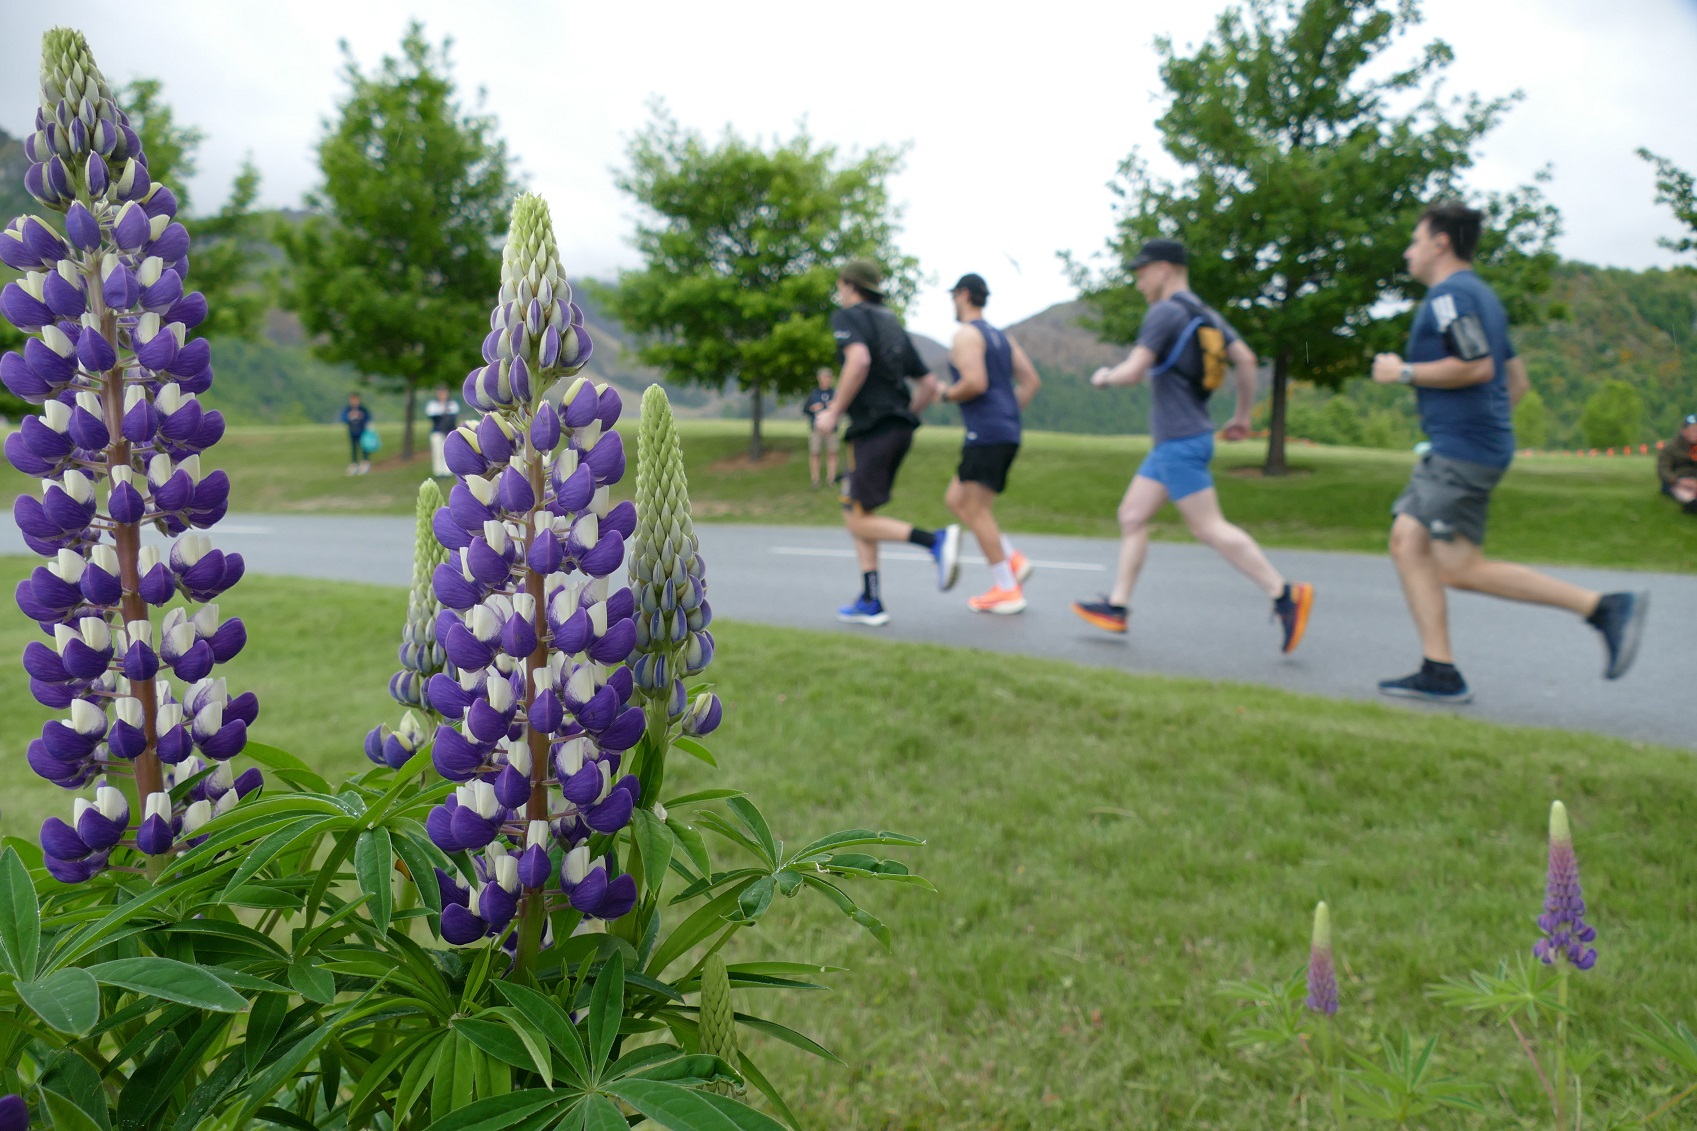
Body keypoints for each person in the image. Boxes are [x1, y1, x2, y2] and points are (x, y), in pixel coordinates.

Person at [1370, 202, 1647, 702]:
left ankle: (1602, 607)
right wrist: (1485, 427)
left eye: (1414, 240)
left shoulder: (1449, 297)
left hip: (1460, 453)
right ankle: (1440, 670)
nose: (1407, 252)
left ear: (1440, 243)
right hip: (1469, 447)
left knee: (1456, 566)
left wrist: (1403, 373)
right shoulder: (1484, 298)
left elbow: (1476, 367)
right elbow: (1514, 382)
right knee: (1407, 543)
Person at [1071, 239, 1315, 653]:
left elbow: (1133, 372)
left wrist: (1103, 377)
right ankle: (1117, 606)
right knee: (1132, 515)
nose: (1138, 282)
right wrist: (1241, 416)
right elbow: (1247, 359)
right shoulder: (1207, 314)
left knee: (1208, 527)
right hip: (1180, 439)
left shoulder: (1163, 312)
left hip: (1180, 441)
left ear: (1165, 269)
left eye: (1141, 272)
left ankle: (1283, 592)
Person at [811, 258, 960, 626]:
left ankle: (935, 541)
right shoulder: (891, 322)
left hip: (870, 430)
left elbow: (858, 361)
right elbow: (928, 385)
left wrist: (833, 413)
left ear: (847, 285)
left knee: (857, 523)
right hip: (897, 428)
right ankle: (871, 599)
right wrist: (906, 416)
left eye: (841, 286)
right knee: (858, 511)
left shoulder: (848, 317)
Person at [930, 273, 1041, 614]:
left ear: (963, 294)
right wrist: (1007, 413)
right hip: (1002, 430)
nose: (952, 302)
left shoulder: (966, 334)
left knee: (976, 510)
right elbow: (1031, 381)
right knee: (956, 499)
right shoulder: (1001, 337)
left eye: (953, 295)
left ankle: (1007, 588)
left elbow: (974, 382)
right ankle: (1013, 559)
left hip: (986, 434)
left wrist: (945, 394)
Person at [802, 368, 840, 490]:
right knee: (815, 453)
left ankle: (831, 479)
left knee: (832, 453)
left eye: (828, 377)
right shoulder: (813, 394)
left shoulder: (835, 394)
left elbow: (842, 409)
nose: (826, 379)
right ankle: (815, 479)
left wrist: (834, 408)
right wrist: (813, 409)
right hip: (816, 429)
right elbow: (805, 410)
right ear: (819, 378)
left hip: (831, 429)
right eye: (824, 377)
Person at [1657, 413, 1697, 515]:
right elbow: (1663, 469)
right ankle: (1691, 504)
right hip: (1677, 480)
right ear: (1684, 431)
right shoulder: (1670, 448)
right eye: (1694, 430)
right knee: (1680, 489)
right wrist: (1678, 481)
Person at [425, 385, 460, 477]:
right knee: (437, 452)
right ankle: (438, 471)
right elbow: (434, 418)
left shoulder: (452, 404)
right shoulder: (433, 405)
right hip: (437, 431)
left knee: (447, 451)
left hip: (449, 431)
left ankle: (447, 471)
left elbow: (453, 419)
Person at [339, 392, 372, 476]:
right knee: (354, 447)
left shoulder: (362, 409)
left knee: (364, 447)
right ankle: (354, 463)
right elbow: (344, 418)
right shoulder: (348, 409)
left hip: (362, 431)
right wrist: (350, 417)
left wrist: (362, 418)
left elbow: (368, 418)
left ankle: (365, 462)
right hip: (352, 431)